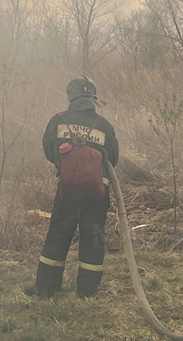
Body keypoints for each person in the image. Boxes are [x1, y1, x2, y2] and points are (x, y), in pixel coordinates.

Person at [28, 76, 120, 299]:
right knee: (93, 239)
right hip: (97, 194)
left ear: (71, 96)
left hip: (67, 191)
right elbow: (113, 159)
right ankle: (86, 291)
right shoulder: (104, 125)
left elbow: (49, 152)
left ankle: (46, 289)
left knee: (58, 235)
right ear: (93, 99)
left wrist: (68, 166)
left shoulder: (57, 121)